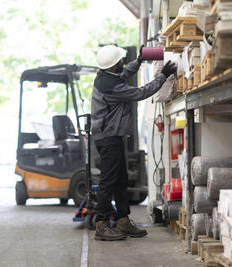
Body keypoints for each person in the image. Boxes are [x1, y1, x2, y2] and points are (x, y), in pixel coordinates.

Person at [91, 45, 177, 241]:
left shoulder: (107, 77)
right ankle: (101, 224)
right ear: (113, 66)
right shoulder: (112, 87)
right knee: (109, 181)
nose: (123, 62)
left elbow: (123, 72)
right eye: (121, 60)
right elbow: (140, 93)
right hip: (108, 138)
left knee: (121, 180)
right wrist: (162, 76)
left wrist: (138, 61)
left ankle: (122, 220)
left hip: (113, 136)